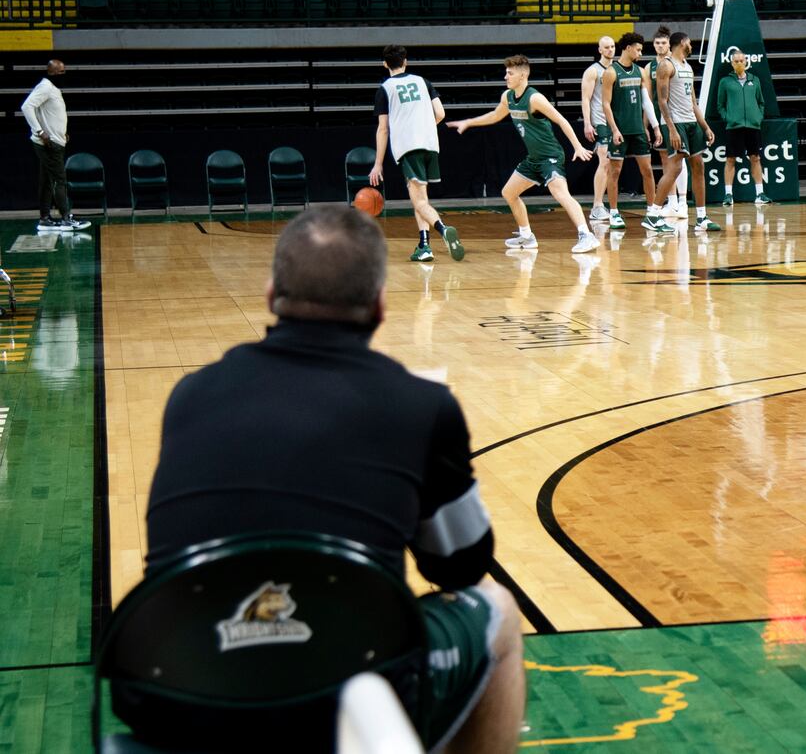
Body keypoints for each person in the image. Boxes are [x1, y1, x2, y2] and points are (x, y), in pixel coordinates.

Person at [139, 206, 525, 753]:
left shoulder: (190, 394)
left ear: (272, 293)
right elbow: (462, 566)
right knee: (499, 613)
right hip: (345, 695)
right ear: (381, 305)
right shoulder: (421, 405)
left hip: (182, 688)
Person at [446, 55, 599, 255]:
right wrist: (468, 122)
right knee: (508, 193)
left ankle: (586, 235)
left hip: (550, 155)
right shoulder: (507, 97)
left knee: (560, 192)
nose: (505, 77)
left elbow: (562, 120)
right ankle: (527, 236)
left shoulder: (534, 98)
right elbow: (494, 116)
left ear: (523, 75)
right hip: (533, 159)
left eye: (510, 73)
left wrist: (578, 146)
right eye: (506, 72)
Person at [369, 46, 462, 263]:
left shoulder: (385, 88)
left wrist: (378, 163)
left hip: (409, 148)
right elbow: (440, 113)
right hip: (431, 144)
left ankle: (443, 229)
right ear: (406, 62)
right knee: (421, 197)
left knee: (419, 202)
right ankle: (424, 245)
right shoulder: (423, 81)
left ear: (384, 64)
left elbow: (383, 129)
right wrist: (425, 127)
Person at [642, 32, 720, 235]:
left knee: (699, 166)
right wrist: (672, 129)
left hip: (692, 123)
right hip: (676, 123)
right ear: (679, 44)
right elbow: (661, 101)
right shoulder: (666, 66)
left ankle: (702, 217)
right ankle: (653, 215)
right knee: (675, 168)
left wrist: (705, 126)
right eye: (689, 42)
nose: (691, 45)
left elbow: (693, 102)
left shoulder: (688, 66)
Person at [601, 33, 664, 227]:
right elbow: (605, 104)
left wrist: (655, 127)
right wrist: (614, 129)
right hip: (619, 130)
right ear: (628, 48)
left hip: (637, 129)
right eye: (638, 49)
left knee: (647, 171)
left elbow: (646, 101)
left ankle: (651, 213)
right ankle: (613, 213)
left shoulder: (641, 72)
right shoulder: (611, 72)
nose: (640, 52)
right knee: (614, 172)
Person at [22, 60, 90, 232]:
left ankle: (44, 219)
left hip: (56, 141)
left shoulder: (53, 89)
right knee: (60, 180)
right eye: (60, 72)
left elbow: (52, 115)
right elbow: (26, 107)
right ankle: (66, 218)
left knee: (46, 182)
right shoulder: (45, 87)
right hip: (48, 144)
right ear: (51, 72)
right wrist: (39, 132)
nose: (63, 75)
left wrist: (61, 132)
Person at [716, 47, 771, 206]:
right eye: (736, 61)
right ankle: (728, 195)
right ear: (732, 63)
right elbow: (720, 105)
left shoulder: (755, 79)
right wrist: (728, 118)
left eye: (742, 60)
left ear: (746, 62)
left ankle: (760, 194)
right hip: (734, 126)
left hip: (753, 126)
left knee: (755, 158)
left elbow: (761, 102)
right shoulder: (725, 81)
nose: (739, 63)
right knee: (730, 159)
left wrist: (758, 118)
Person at [648, 26, 689, 219]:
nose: (660, 46)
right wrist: (647, 123)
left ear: (669, 45)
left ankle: (683, 202)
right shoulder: (649, 67)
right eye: (657, 43)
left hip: (677, 117)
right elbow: (648, 98)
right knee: (667, 160)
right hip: (659, 116)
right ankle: (671, 202)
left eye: (663, 43)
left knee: (680, 158)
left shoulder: (677, 63)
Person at [580, 36, 620, 225]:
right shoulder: (592, 71)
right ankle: (597, 206)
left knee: (611, 164)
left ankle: (602, 204)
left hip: (614, 121)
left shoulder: (616, 69)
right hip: (599, 120)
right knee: (605, 161)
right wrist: (588, 123)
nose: (610, 50)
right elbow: (586, 99)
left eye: (612, 46)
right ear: (600, 50)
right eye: (606, 47)